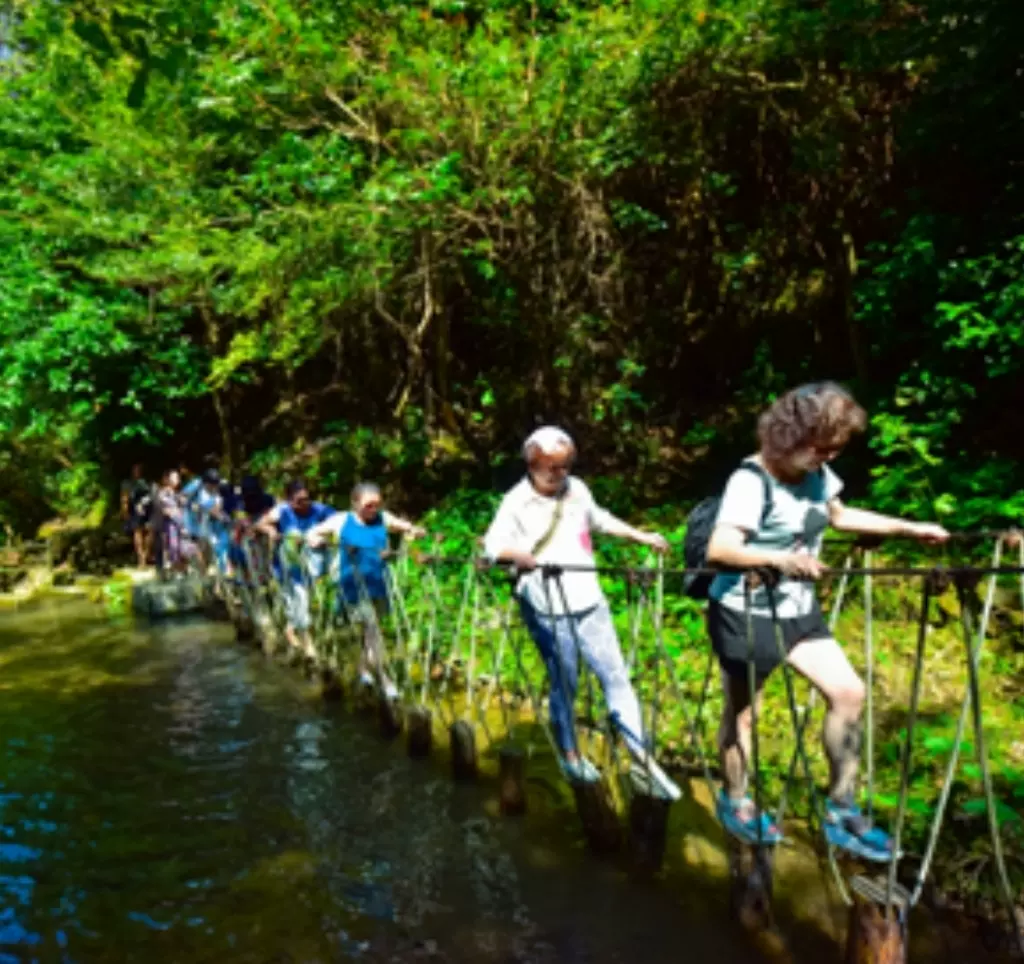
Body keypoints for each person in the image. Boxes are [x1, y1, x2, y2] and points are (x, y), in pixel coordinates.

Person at [705, 381, 948, 860]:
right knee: (743, 714)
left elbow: (837, 515)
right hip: (744, 612)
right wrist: (780, 559)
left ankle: (840, 807)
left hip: (798, 611)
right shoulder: (750, 481)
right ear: (788, 438)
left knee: (848, 692)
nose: (830, 458)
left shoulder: (817, 474)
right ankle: (737, 800)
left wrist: (906, 528)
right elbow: (720, 548)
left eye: (837, 449)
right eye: (823, 448)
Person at [483, 426, 680, 798]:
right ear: (532, 464)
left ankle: (641, 758)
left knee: (616, 677)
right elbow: (493, 544)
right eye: (551, 467)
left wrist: (640, 535)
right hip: (547, 605)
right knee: (566, 681)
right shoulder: (516, 501)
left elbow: (599, 518)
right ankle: (570, 752)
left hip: (590, 599)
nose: (559, 473)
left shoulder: (578, 489)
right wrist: (518, 556)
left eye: (565, 465)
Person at [307, 482, 425, 698]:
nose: (373, 510)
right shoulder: (342, 520)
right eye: (368, 505)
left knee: (370, 630)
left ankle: (363, 670)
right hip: (353, 585)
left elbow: (403, 525)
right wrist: (315, 539)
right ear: (355, 503)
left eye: (377, 505)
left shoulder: (383, 518)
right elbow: (313, 532)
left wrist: (414, 530)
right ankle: (384, 679)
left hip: (378, 583)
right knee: (373, 631)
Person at [254, 479, 336, 659]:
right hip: (288, 565)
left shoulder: (319, 509)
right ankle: (306, 642)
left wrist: (326, 534)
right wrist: (270, 531)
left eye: (307, 499)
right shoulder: (282, 511)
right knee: (298, 601)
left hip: (312, 563)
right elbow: (260, 523)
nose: (304, 504)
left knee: (299, 603)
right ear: (289, 500)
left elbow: (340, 521)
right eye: (299, 501)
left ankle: (291, 630)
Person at [120, 463, 152, 569]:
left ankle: (146, 554)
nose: (137, 471)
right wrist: (125, 511)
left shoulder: (147, 482)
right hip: (135, 510)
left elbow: (152, 495)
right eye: (135, 469)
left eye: (139, 469)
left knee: (149, 532)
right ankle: (141, 558)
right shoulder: (127, 483)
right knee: (137, 533)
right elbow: (124, 498)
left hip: (148, 510)